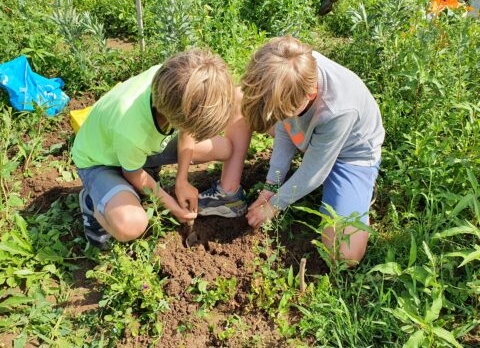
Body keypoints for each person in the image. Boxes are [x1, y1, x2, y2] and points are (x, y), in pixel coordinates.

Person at [72, 49, 249, 249]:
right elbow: (132, 173)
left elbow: (186, 130)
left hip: (136, 147)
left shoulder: (176, 79)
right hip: (101, 161)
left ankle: (145, 168)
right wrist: (173, 206)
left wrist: (181, 181)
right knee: (130, 224)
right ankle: (92, 203)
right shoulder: (131, 126)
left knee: (224, 148)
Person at [241, 36, 384, 265]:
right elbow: (285, 128)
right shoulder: (289, 67)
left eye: (284, 113)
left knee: (343, 255)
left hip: (350, 155)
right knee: (252, 108)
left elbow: (313, 172)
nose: (281, 118)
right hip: (312, 134)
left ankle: (360, 191)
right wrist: (271, 186)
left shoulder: (339, 109)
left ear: (309, 95)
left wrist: (274, 206)